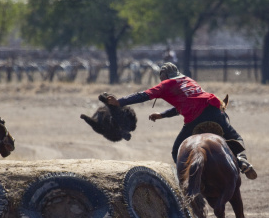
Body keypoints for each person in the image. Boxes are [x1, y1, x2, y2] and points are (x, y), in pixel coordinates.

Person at [104, 62, 257, 180]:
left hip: (195, 119)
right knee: (235, 138)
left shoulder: (165, 84)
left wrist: (120, 102)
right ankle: (242, 161)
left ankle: (188, 180)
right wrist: (162, 115)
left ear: (163, 76)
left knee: (177, 150)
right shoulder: (188, 80)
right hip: (214, 110)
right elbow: (186, 104)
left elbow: (143, 95)